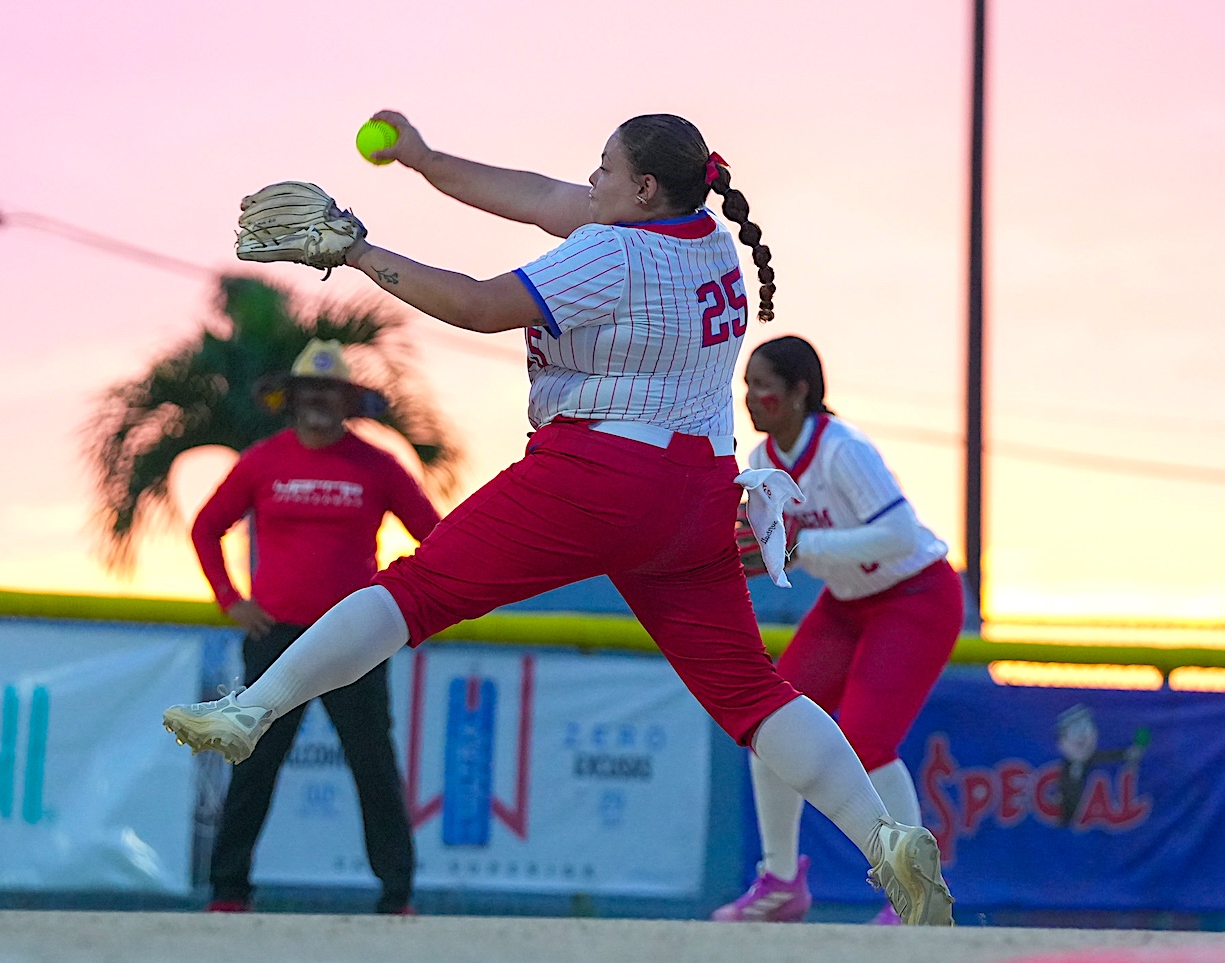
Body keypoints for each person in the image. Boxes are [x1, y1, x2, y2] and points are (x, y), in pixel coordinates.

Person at [164, 110, 955, 925]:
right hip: (698, 492)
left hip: (601, 473)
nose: (591, 179)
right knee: (751, 692)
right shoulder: (710, 237)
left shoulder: (612, 250)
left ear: (644, 188)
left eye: (605, 168)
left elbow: (475, 305)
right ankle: (886, 838)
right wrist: (426, 160)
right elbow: (539, 194)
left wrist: (359, 252)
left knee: (417, 589)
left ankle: (251, 708)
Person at [711, 335, 964, 925]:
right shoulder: (760, 463)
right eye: (746, 384)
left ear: (802, 391)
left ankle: (918, 894)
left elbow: (901, 535)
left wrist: (801, 544)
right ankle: (779, 883)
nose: (751, 397)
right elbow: (775, 549)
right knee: (767, 724)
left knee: (868, 741)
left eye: (764, 384)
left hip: (916, 596)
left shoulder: (842, 450)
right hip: (849, 602)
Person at [190, 338, 440, 915]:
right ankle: (229, 892)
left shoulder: (377, 466)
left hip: (355, 641)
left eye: (330, 389)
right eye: (309, 388)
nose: (318, 399)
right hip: (275, 638)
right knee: (252, 760)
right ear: (291, 397)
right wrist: (230, 599)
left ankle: (397, 895)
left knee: (373, 765)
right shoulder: (262, 461)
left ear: (349, 400)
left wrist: (396, 598)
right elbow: (206, 528)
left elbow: (436, 536)